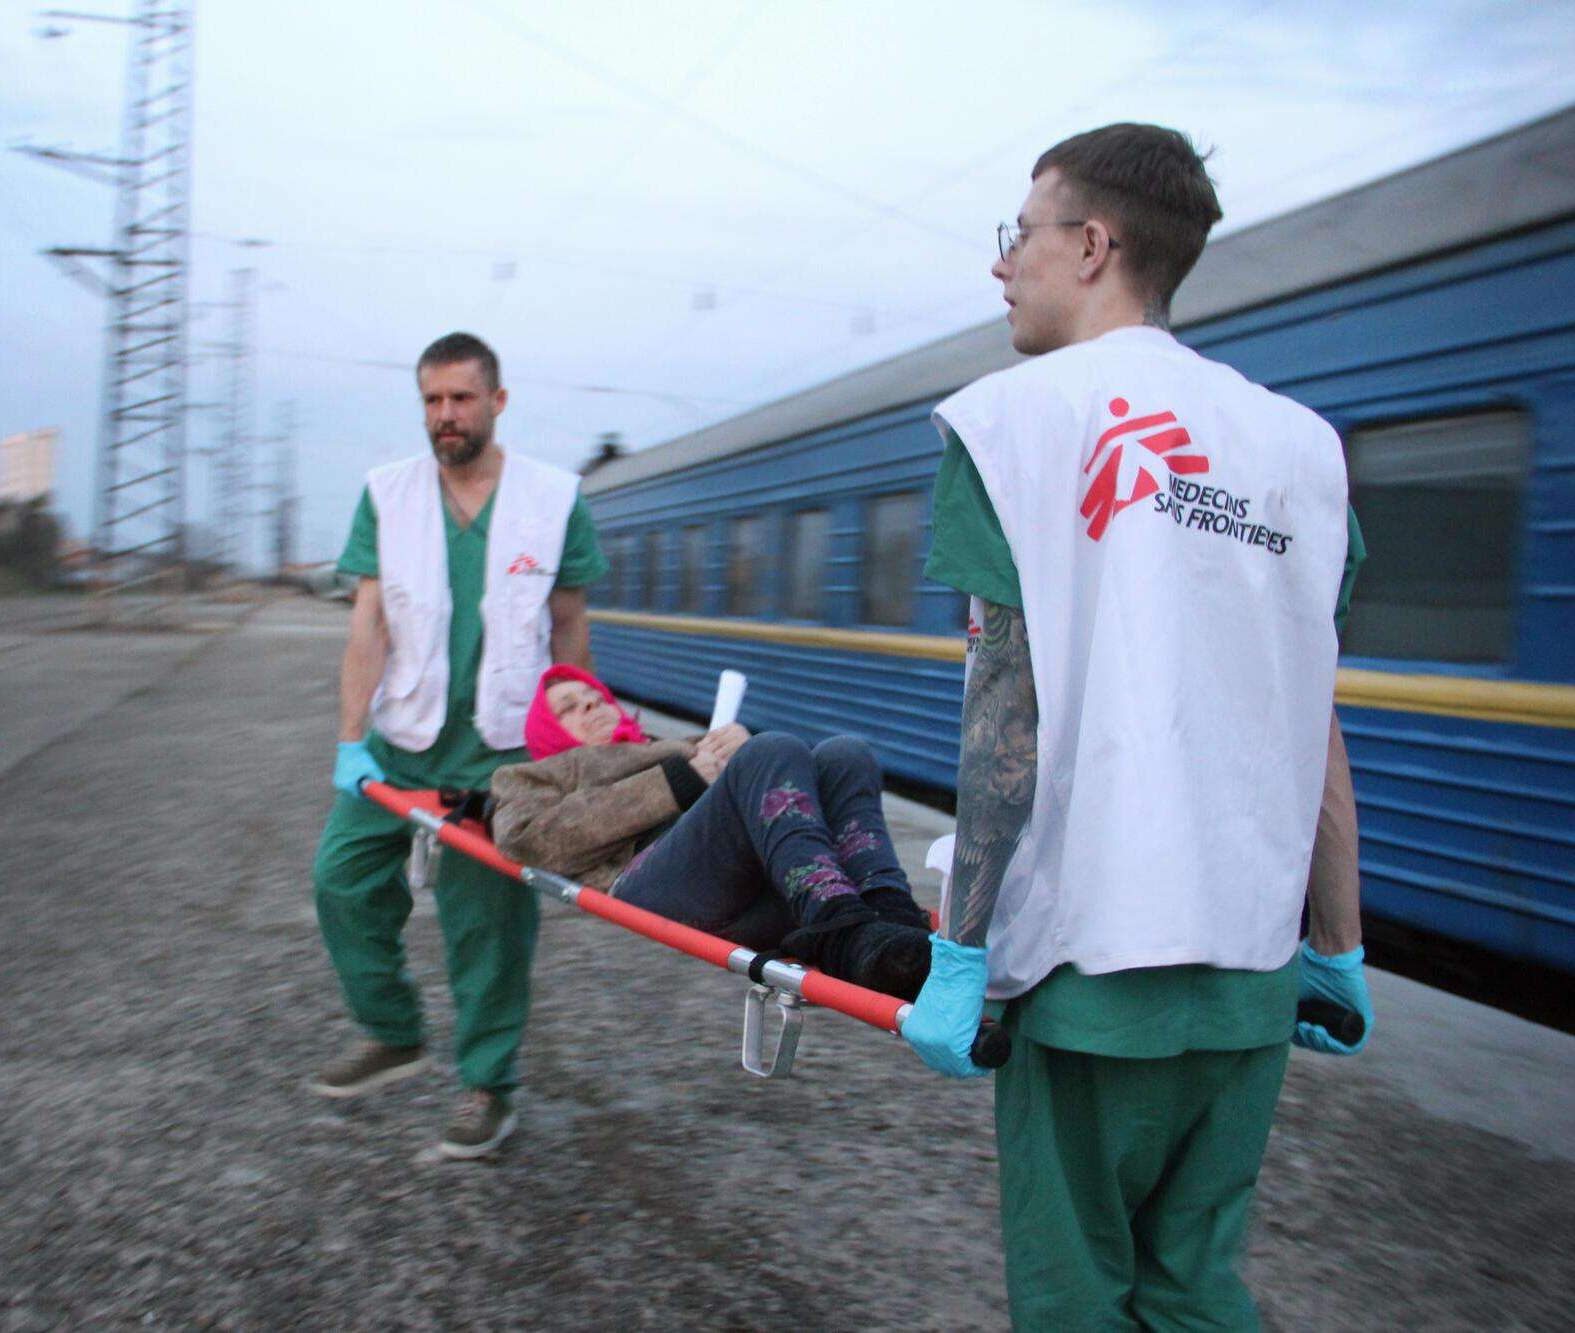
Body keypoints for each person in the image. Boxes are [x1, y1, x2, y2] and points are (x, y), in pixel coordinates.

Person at [900, 124, 1376, 1329]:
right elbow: (1308, 715)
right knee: (1195, 1290)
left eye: (1019, 235)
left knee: (1074, 1297)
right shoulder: (1300, 450)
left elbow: (999, 717)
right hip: (1251, 977)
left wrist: (959, 958)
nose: (1002, 266)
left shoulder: (1012, 426)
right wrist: (1337, 941)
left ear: (1092, 243)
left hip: (1088, 969)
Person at [310, 332, 607, 1160]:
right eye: (433, 401)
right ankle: (393, 1030)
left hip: (501, 754)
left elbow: (570, 626)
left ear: (497, 401)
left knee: (488, 926)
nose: (446, 415)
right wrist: (348, 740)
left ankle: (487, 1082)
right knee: (341, 881)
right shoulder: (388, 494)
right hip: (402, 743)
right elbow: (367, 624)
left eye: (462, 398)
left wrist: (574, 749)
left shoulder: (553, 499)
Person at [489, 665, 934, 997]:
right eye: (568, 707)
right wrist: (685, 779)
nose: (589, 704)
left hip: (758, 889)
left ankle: (889, 918)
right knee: (772, 747)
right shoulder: (534, 774)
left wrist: (729, 754)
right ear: (545, 732)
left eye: (594, 695)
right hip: (645, 885)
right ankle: (841, 932)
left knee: (844, 753)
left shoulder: (676, 747)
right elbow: (526, 835)